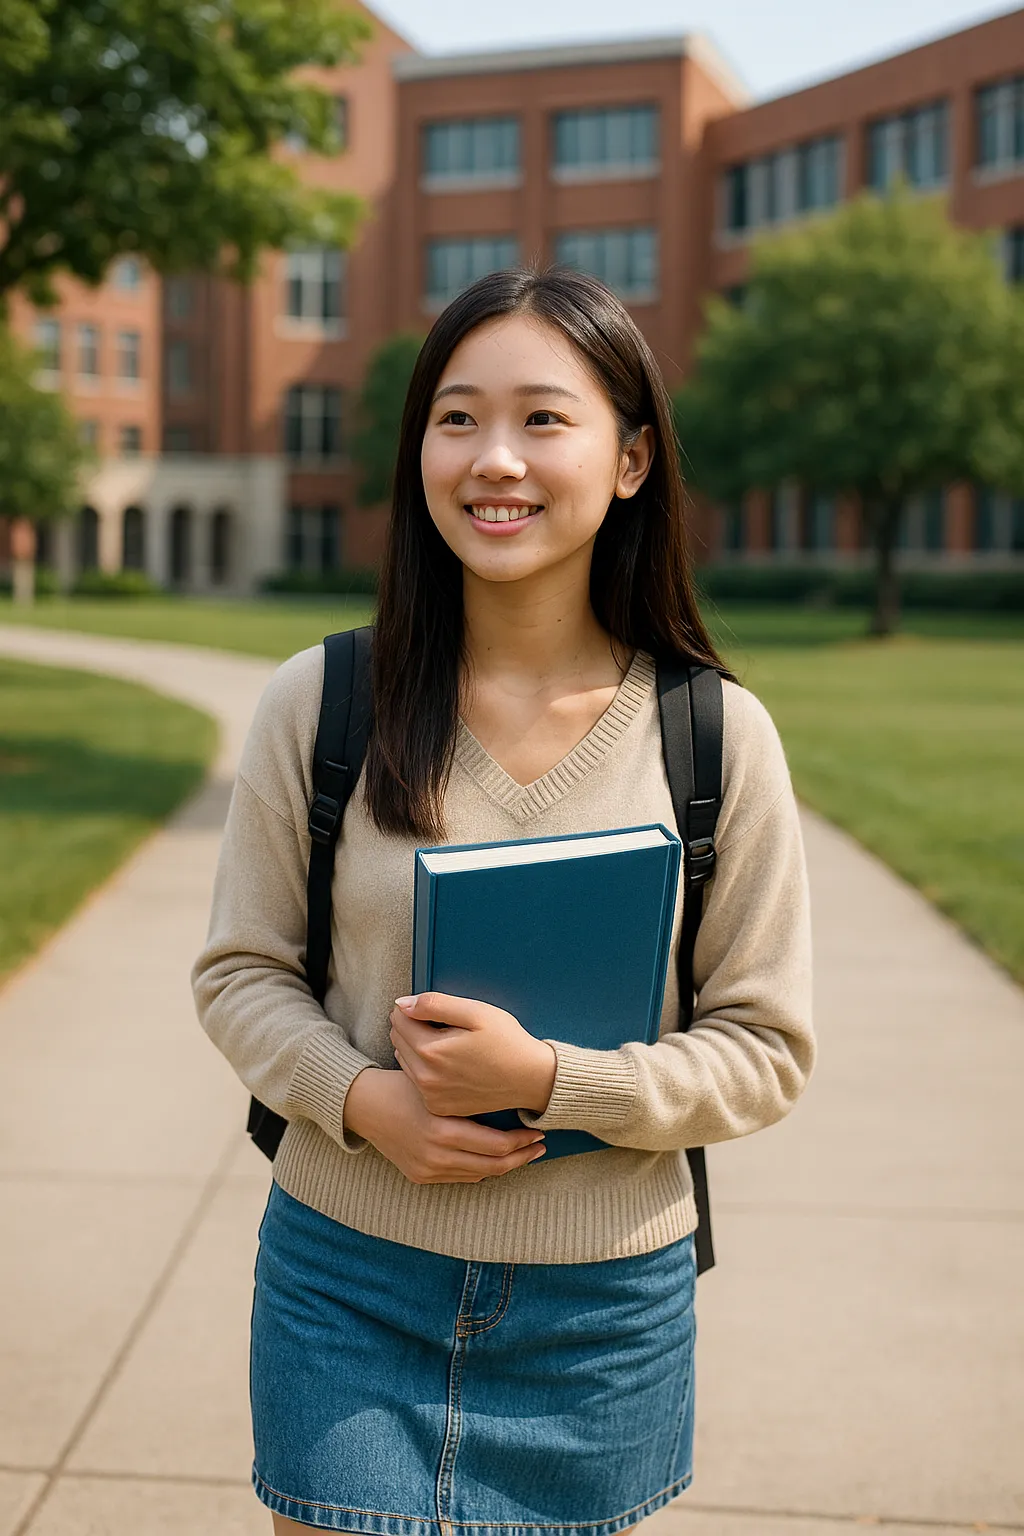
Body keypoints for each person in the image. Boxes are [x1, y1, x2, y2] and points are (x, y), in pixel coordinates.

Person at [192, 266, 814, 1536]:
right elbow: (240, 973)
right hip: (346, 1278)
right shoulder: (322, 705)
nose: (494, 459)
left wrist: (551, 1082)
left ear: (630, 459)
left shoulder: (715, 738)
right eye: (457, 418)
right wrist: (364, 1100)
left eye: (542, 418)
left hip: (604, 1319)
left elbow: (764, 1051)